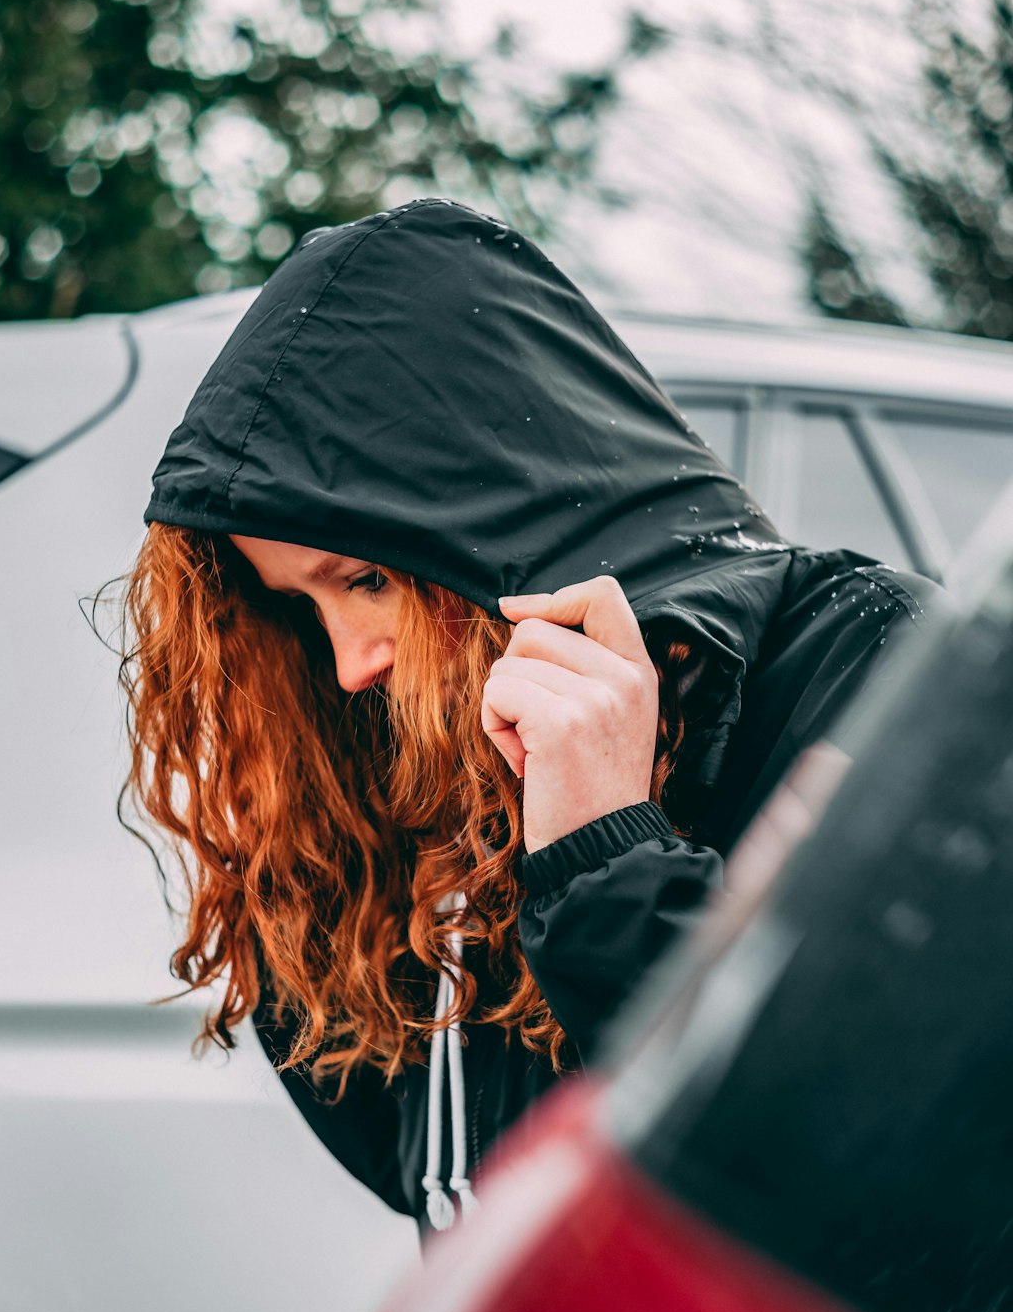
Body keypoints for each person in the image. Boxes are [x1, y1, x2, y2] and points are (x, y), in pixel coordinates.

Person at [122, 197, 937, 1236]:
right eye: (298, 605)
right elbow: (435, 1182)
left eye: (367, 578)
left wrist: (607, 856)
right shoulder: (421, 781)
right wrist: (298, 875)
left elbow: (870, 1168)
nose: (349, 663)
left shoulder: (872, 663)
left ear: (509, 519)